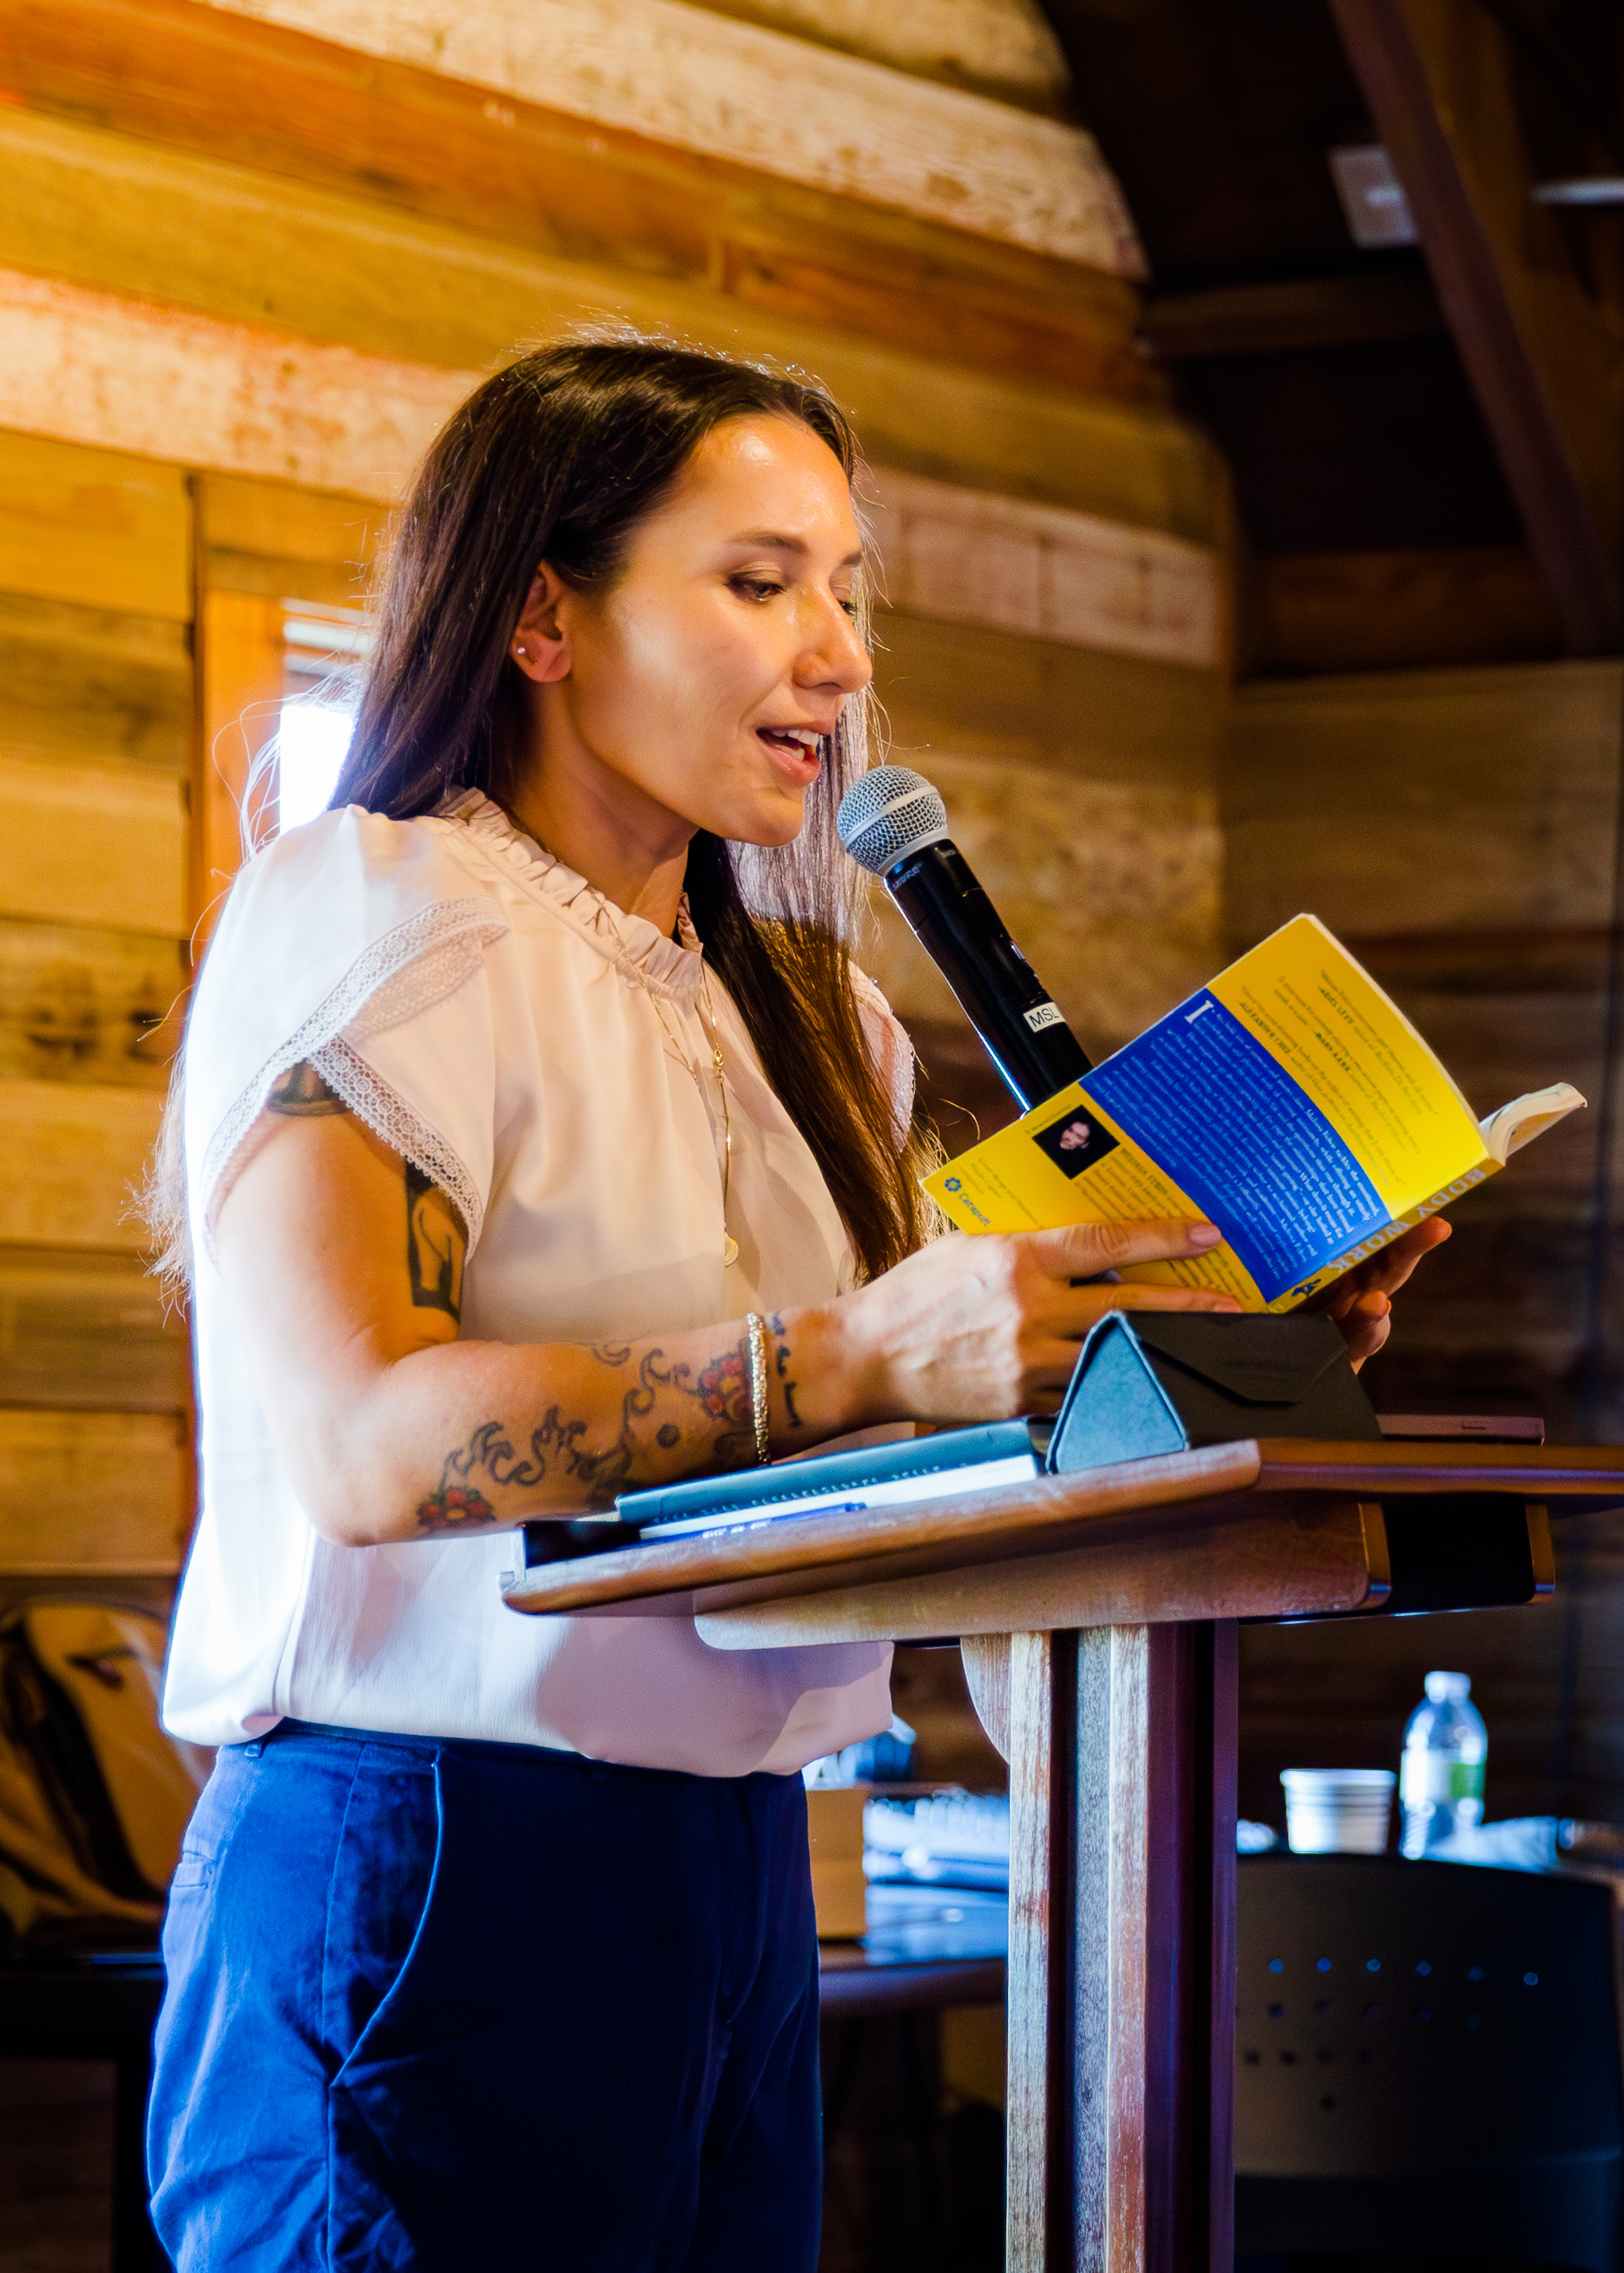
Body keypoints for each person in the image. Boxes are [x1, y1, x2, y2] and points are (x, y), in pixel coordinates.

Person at [142, 339, 1444, 2271]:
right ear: (540, 616)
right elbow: (363, 1443)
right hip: (431, 1859)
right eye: (758, 583)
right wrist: (852, 1347)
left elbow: (923, 1467)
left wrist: (1207, 1364)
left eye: (849, 589)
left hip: (747, 1879)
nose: (834, 657)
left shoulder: (821, 1023)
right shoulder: (375, 904)